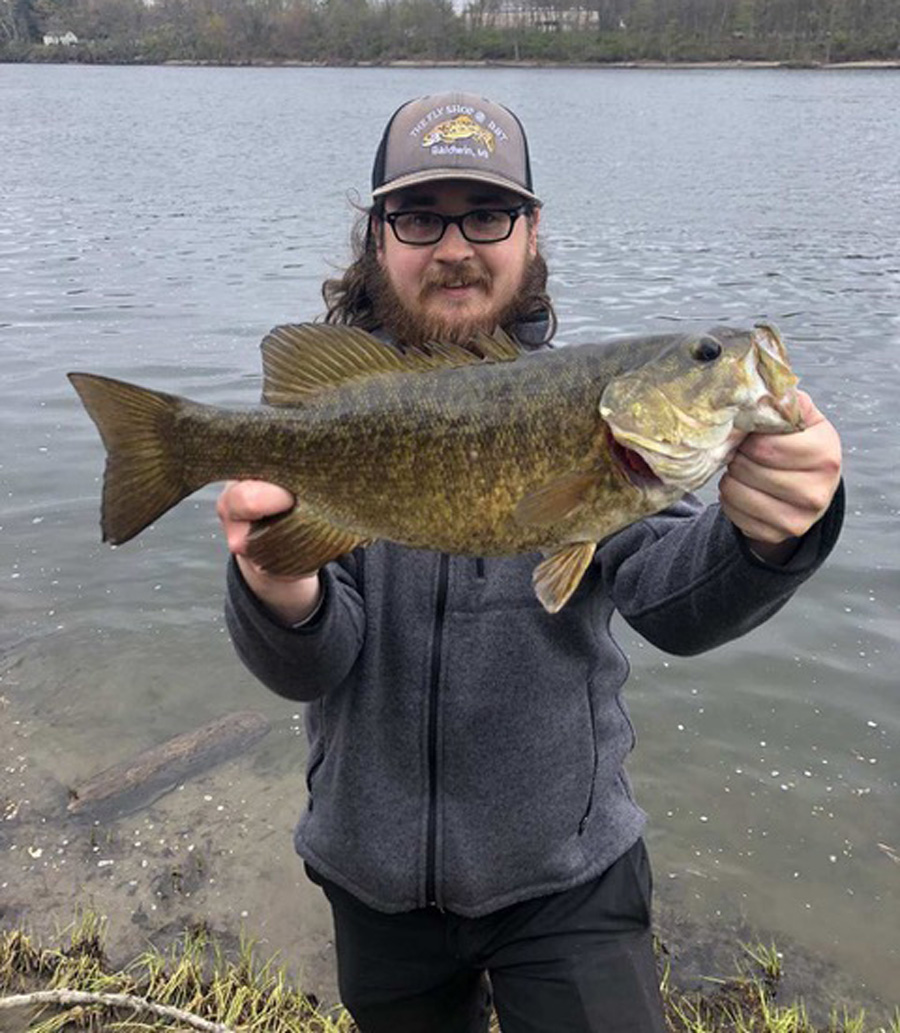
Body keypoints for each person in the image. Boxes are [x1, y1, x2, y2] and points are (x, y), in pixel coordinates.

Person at [217, 92, 844, 1033]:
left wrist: (768, 535)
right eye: (421, 215)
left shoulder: (587, 402)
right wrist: (277, 583)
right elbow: (313, 661)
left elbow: (671, 596)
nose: (455, 245)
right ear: (377, 233)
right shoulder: (337, 408)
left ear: (532, 229)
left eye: (487, 212)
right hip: (371, 872)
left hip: (568, 878)